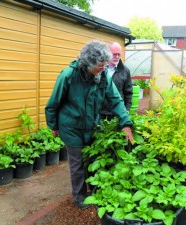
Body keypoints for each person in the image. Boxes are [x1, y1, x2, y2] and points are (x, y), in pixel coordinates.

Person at [45, 40, 134, 209]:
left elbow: (116, 100)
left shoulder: (102, 77)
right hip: (71, 126)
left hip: (91, 124)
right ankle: (79, 196)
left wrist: (125, 123)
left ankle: (94, 188)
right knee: (77, 162)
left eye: (104, 65)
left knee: (92, 157)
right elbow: (53, 104)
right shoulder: (68, 76)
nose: (103, 69)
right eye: (100, 66)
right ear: (88, 64)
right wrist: (54, 126)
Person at [99, 42, 133, 120]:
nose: (117, 57)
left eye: (119, 54)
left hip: (117, 112)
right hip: (99, 111)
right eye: (114, 54)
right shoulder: (99, 68)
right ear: (108, 53)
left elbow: (128, 92)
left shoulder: (125, 71)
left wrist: (127, 109)